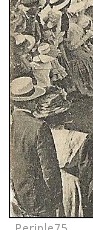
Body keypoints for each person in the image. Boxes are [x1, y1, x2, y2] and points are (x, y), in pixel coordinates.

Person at [10, 78, 63, 217]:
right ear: (31, 102)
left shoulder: (10, 122)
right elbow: (49, 169)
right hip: (38, 199)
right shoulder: (39, 127)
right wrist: (56, 199)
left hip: (15, 193)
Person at [33, 90, 89, 217]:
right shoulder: (78, 137)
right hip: (69, 184)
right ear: (64, 114)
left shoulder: (38, 136)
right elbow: (84, 168)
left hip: (46, 182)